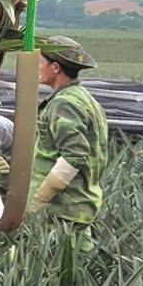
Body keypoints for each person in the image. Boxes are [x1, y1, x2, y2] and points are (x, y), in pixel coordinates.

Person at [25, 35, 108, 235]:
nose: (37, 66)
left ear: (55, 68)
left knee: (57, 263)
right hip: (76, 204)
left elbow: (74, 155)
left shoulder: (64, 103)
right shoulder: (84, 98)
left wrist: (39, 199)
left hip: (59, 209)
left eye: (40, 62)